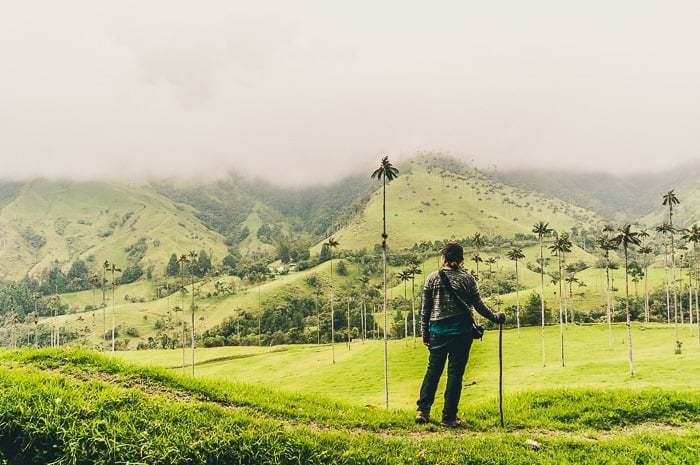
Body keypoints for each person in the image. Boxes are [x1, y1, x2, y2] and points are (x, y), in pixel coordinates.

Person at [415, 242, 505, 427]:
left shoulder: (432, 279)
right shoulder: (467, 279)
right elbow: (479, 306)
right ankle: (449, 417)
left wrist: (424, 333)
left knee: (433, 371)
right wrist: (496, 317)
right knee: (455, 374)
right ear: (461, 260)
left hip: (437, 333)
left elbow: (426, 310)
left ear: (443, 258)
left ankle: (423, 411)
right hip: (461, 333)